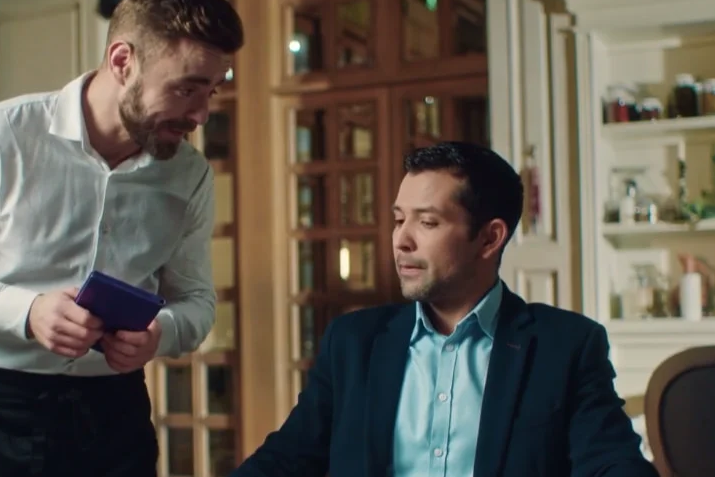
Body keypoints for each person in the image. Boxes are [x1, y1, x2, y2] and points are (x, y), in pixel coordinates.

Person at [0, 0, 243, 477]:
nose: (201, 114)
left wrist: (159, 334)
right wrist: (26, 311)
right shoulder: (2, 136)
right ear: (122, 61)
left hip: (118, 414)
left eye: (212, 90)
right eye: (186, 88)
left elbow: (197, 301)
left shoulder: (190, 176)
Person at [231, 142, 657, 477]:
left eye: (427, 222)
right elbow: (286, 460)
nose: (401, 240)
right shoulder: (353, 342)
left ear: (489, 239)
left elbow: (611, 463)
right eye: (399, 219)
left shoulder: (565, 346)